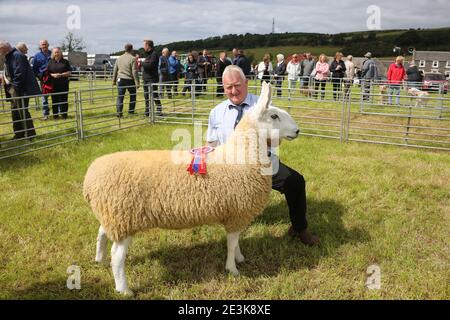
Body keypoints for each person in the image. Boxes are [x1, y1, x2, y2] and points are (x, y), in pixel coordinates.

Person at [206, 65, 320, 245]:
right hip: (229, 167)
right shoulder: (216, 112)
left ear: (246, 83)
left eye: (237, 85)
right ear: (223, 87)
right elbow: (211, 143)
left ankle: (301, 228)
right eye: (229, 87)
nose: (234, 91)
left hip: (261, 164)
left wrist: (265, 140)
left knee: (295, 182)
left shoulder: (263, 106)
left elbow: (277, 141)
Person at [0, 41, 38, 140]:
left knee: (22, 111)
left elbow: (20, 73)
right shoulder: (9, 56)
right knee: (15, 111)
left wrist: (14, 88)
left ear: (4, 48)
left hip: (20, 90)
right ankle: (19, 134)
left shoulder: (17, 56)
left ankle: (30, 134)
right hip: (14, 89)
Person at [112, 43, 140, 117]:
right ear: (131, 49)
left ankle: (119, 112)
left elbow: (115, 70)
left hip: (120, 80)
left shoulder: (119, 58)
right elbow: (134, 71)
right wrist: (137, 82)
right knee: (133, 96)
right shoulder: (133, 58)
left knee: (120, 97)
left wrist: (114, 81)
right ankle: (131, 111)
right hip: (130, 80)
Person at [47, 47, 72, 119]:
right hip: (54, 85)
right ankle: (55, 116)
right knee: (54, 100)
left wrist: (61, 75)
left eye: (58, 52)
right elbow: (47, 73)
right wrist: (53, 75)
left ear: (61, 53)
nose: (56, 54)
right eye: (55, 52)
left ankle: (64, 115)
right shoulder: (50, 62)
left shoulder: (65, 62)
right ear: (53, 54)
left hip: (63, 85)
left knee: (64, 100)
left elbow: (69, 72)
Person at [32, 39, 51, 120]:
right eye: (43, 44)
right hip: (43, 79)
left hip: (53, 77)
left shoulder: (53, 53)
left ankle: (59, 113)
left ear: (48, 45)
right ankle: (46, 114)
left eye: (45, 44)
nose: (44, 46)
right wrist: (39, 76)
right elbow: (34, 68)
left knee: (56, 95)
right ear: (40, 46)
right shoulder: (37, 56)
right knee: (44, 97)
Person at [142, 39, 162, 116]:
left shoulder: (154, 54)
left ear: (148, 45)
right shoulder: (147, 54)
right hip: (146, 78)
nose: (143, 47)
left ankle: (159, 110)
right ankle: (147, 111)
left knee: (154, 95)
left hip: (152, 78)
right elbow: (148, 64)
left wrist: (142, 63)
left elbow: (150, 65)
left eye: (144, 45)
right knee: (146, 95)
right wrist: (145, 63)